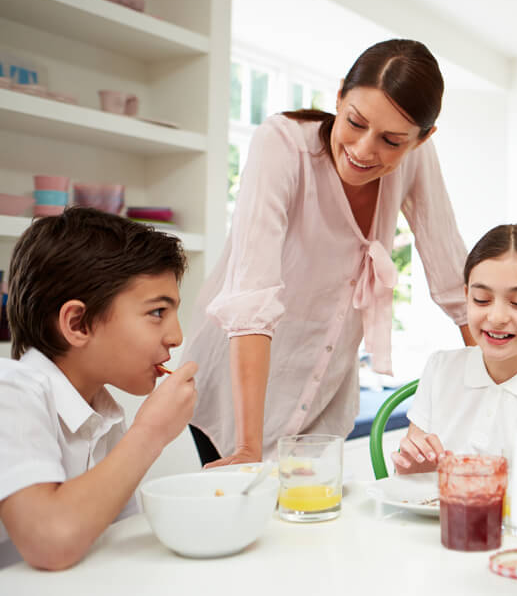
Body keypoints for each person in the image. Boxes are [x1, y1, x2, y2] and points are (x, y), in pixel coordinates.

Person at [183, 39, 472, 467]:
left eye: (392, 141)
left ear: (422, 139)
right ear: (339, 95)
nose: (363, 149)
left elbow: (454, 281)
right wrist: (247, 447)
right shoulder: (283, 145)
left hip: (322, 387)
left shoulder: (416, 159)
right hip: (235, 390)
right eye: (355, 122)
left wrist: (503, 378)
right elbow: (251, 294)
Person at [0, 208, 196, 570]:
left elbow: (116, 539)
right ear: (78, 324)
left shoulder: (102, 414)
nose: (176, 336)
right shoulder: (9, 391)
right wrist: (151, 432)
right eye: (157, 313)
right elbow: (50, 540)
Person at [393, 224, 517, 473]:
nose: (496, 317)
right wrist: (415, 470)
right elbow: (413, 479)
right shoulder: (440, 369)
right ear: (466, 296)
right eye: (481, 299)